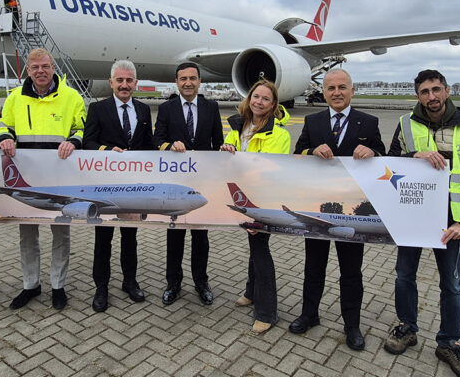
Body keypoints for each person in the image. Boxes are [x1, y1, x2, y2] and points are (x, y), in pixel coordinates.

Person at [384, 69, 460, 377]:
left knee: (452, 284)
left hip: (451, 222)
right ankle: (407, 327)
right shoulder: (406, 124)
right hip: (413, 217)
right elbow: (390, 165)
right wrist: (414, 154)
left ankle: (448, 342)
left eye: (435, 90)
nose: (431, 96)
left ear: (446, 91)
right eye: (424, 92)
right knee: (404, 276)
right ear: (417, 96)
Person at [291, 69, 385, 350]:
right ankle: (310, 314)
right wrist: (311, 151)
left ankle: (352, 325)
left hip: (352, 213)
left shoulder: (368, 123)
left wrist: (374, 153)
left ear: (352, 90)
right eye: (330, 88)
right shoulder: (313, 121)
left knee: (351, 271)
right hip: (318, 208)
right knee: (314, 266)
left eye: (342, 87)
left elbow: (383, 154)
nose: (336, 92)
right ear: (325, 92)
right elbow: (298, 153)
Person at [0, 48, 86, 310]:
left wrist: (73, 142)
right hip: (28, 182)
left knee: (61, 234)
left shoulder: (71, 97)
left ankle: (58, 286)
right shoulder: (14, 98)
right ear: (27, 70)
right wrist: (4, 138)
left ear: (53, 67)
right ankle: (30, 285)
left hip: (61, 180)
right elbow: (3, 125)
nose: (41, 71)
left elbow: (81, 128)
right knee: (27, 235)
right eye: (35, 67)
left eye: (45, 66)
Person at [221, 79, 290, 333]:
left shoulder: (279, 134)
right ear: (249, 99)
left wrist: (258, 212)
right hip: (242, 199)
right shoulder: (236, 128)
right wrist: (226, 148)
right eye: (256, 96)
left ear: (273, 105)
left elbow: (274, 172)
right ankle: (251, 292)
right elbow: (228, 164)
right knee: (254, 247)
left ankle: (267, 312)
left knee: (261, 252)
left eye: (265, 99)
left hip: (262, 201)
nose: (259, 102)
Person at [83, 60, 153, 312]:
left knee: (130, 236)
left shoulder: (144, 111)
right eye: (119, 80)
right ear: (111, 82)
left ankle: (129, 281)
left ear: (136, 83)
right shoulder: (98, 109)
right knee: (103, 238)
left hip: (133, 188)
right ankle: (101, 287)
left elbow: (148, 147)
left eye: (129, 80)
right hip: (105, 188)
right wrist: (105, 151)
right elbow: (87, 142)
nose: (124, 85)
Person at [153, 62, 223, 306]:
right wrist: (169, 145)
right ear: (177, 82)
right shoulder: (166, 108)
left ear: (199, 81)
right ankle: (173, 283)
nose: (188, 83)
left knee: (200, 237)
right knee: (175, 236)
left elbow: (217, 144)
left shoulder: (211, 107)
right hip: (175, 182)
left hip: (201, 182)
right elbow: (156, 140)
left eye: (192, 78)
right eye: (183, 78)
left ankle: (201, 282)